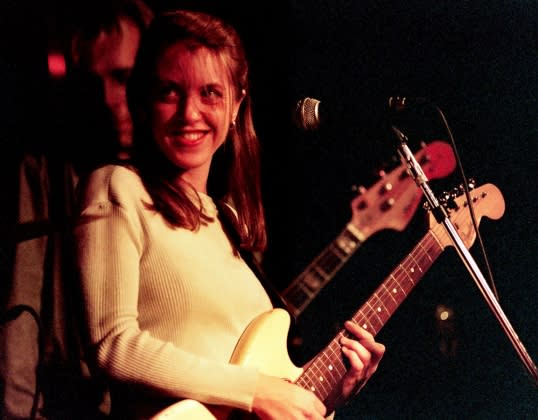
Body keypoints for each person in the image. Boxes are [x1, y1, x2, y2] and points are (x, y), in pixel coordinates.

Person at [73, 9, 385, 419]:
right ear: (146, 101)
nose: (190, 112)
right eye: (170, 91)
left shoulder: (227, 223)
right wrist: (256, 390)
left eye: (210, 93)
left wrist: (324, 399)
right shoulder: (117, 186)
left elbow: (247, 399)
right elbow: (113, 345)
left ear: (237, 104)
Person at [0, 1, 152, 418]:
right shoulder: (46, 174)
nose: (107, 100)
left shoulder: (179, 177)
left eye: (123, 78)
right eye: (92, 82)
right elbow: (22, 315)